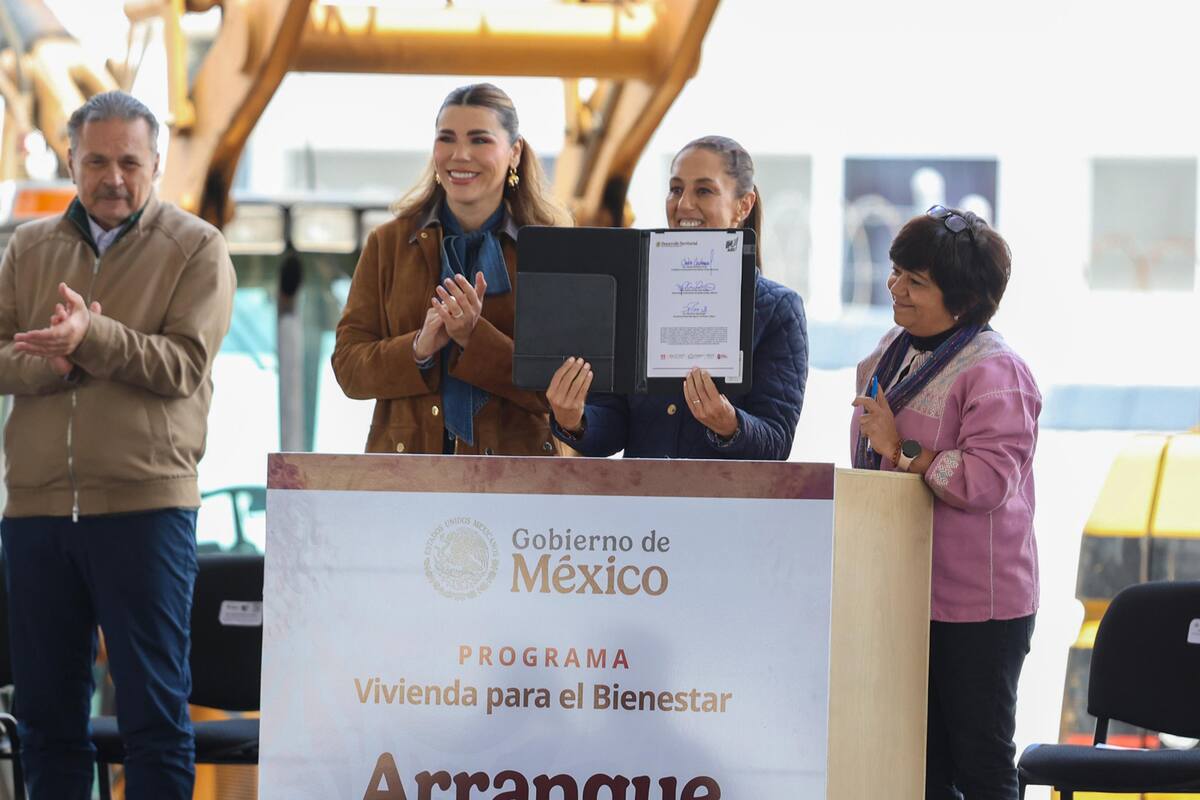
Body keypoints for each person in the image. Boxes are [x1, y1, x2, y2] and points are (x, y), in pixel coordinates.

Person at [0, 91, 236, 799]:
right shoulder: (28, 248)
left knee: (154, 719)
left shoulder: (196, 247)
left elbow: (182, 368)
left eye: (130, 161)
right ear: (71, 160)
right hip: (37, 515)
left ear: (156, 164)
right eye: (96, 160)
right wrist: (58, 361)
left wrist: (93, 339)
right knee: (45, 719)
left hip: (146, 510)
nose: (113, 177)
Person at [850, 206, 1040, 800]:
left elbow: (987, 482)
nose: (895, 288)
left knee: (981, 765)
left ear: (962, 302)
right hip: (904, 595)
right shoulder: (894, 348)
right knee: (916, 765)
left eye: (916, 281)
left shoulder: (996, 372)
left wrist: (899, 448)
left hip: (978, 610)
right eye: (896, 271)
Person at [333, 83, 566, 456]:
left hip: (519, 483)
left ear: (515, 152)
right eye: (447, 139)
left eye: (479, 140)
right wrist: (418, 348)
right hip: (406, 476)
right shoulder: (387, 243)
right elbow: (348, 367)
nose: (460, 155)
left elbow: (559, 391)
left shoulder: (552, 251)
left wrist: (475, 338)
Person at [547, 136, 807, 459]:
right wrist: (575, 419)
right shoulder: (633, 297)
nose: (683, 205)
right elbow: (614, 425)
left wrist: (730, 424)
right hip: (643, 504)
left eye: (704, 190)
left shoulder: (778, 311)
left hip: (726, 507)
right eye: (675, 189)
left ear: (744, 205)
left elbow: (776, 442)